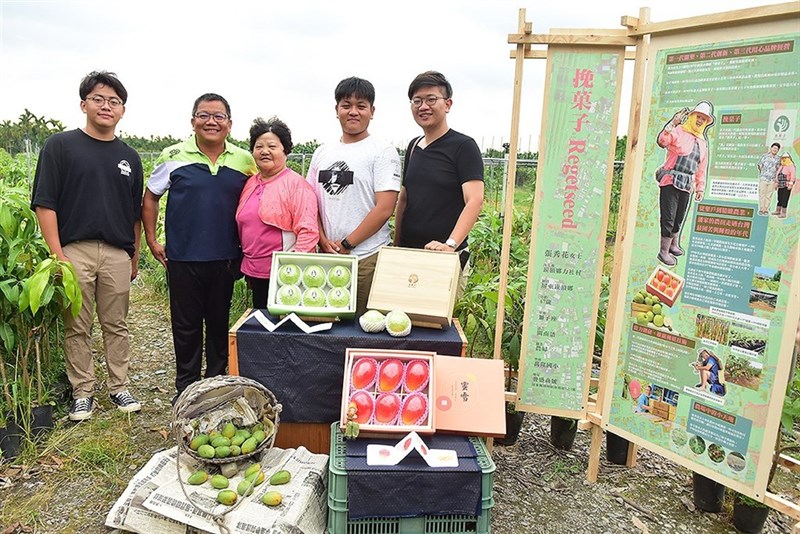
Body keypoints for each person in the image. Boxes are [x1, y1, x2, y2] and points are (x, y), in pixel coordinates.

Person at [30, 70, 143, 421]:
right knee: (76, 324)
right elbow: (45, 204)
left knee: (116, 323)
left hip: (116, 252)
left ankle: (119, 386)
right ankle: (83, 391)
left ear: (122, 110)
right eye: (98, 99)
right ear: (84, 104)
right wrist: (57, 255)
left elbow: (134, 212)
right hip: (73, 249)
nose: (106, 106)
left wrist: (134, 254)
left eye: (114, 101)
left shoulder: (129, 157)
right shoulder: (60, 146)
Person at [142, 93, 257, 403]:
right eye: (204, 115)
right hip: (182, 258)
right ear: (192, 121)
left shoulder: (245, 160)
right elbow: (150, 197)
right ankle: (187, 390)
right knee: (186, 327)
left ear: (230, 125)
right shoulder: (173, 155)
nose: (211, 121)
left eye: (218, 116)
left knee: (219, 324)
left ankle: (217, 387)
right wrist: (152, 240)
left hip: (226, 258)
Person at [306, 77, 401, 314]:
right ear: (336, 110)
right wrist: (321, 239)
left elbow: (385, 207)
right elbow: (309, 202)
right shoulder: (322, 152)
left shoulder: (382, 151)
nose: (353, 112)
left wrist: (349, 243)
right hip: (327, 256)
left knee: (363, 328)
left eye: (361, 106)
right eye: (346, 105)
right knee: (326, 324)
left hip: (367, 258)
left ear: (372, 111)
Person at [393, 70, 484, 297]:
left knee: (439, 327)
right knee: (402, 322)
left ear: (448, 104)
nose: (423, 106)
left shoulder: (463, 146)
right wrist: (396, 246)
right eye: (417, 100)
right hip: (409, 255)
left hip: (444, 258)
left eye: (431, 99)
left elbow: (474, 200)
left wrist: (450, 244)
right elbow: (404, 198)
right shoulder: (413, 147)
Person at [236, 117, 319, 308]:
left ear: (285, 150)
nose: (265, 151)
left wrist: (293, 272)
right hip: (255, 273)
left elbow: (308, 232)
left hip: (284, 277)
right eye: (259, 146)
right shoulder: (250, 183)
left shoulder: (297, 185)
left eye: (272, 146)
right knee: (259, 328)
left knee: (281, 333)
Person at [654, 102, 715, 267]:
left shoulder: (703, 142)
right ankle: (663, 251)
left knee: (679, 217)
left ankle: (673, 244)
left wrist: (700, 187)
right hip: (671, 181)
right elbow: (662, 141)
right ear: (692, 116)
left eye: (704, 118)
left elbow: (701, 168)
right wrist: (673, 124)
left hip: (688, 183)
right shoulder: (678, 131)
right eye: (698, 117)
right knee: (669, 217)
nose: (700, 120)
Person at [758, 142, 781, 216]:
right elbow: (760, 165)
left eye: (776, 149)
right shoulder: (764, 156)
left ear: (778, 150)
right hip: (763, 178)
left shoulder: (778, 158)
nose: (775, 149)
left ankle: (766, 209)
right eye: (774, 148)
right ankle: (761, 209)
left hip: (772, 180)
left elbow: (778, 169)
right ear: (771, 148)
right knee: (762, 194)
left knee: (769, 195)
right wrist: (763, 173)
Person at [775, 152, 796, 219]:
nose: (784, 159)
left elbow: (793, 176)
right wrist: (776, 183)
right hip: (780, 185)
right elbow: (777, 175)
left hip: (786, 185)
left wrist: (791, 184)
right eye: (783, 158)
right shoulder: (782, 166)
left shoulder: (791, 166)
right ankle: (777, 211)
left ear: (789, 158)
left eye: (785, 158)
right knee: (779, 198)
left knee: (785, 199)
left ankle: (783, 213)